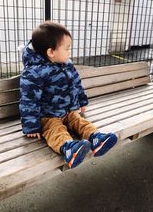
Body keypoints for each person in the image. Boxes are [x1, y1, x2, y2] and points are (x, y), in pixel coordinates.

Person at [20, 21, 117, 168]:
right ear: (51, 52)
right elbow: (28, 101)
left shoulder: (66, 65)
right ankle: (69, 148)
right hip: (48, 116)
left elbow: (76, 84)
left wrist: (82, 102)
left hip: (68, 111)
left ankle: (96, 138)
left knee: (80, 122)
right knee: (55, 130)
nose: (69, 52)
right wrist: (31, 126)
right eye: (67, 48)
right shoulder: (34, 73)